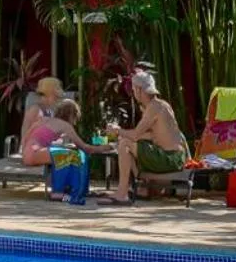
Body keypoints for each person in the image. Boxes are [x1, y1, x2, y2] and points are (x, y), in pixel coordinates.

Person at [107, 71, 188, 204]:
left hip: (169, 158)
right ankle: (143, 188)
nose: (133, 93)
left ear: (139, 90)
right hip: (176, 157)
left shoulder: (153, 107)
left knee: (125, 143)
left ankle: (122, 193)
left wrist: (117, 130)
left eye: (133, 90)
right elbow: (153, 135)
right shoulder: (163, 105)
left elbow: (135, 134)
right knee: (129, 142)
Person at [44, 100, 94, 205]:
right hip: (46, 150)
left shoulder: (62, 124)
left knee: (82, 155)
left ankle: (76, 188)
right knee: (70, 155)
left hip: (53, 148)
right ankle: (60, 191)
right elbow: (52, 142)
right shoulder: (57, 124)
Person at [18, 76, 64, 156]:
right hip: (33, 151)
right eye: (57, 88)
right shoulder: (35, 110)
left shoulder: (50, 110)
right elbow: (26, 138)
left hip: (44, 148)